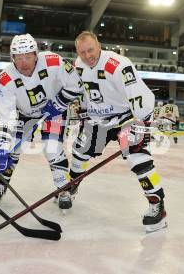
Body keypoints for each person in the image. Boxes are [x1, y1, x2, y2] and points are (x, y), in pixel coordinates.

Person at [71, 31, 167, 232]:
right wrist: (83, 108)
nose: (88, 55)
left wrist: (142, 123)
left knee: (137, 157)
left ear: (99, 45)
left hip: (127, 117)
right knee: (79, 154)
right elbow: (85, 92)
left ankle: (157, 205)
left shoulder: (118, 64)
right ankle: (71, 186)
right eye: (82, 52)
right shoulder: (78, 65)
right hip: (98, 119)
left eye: (90, 50)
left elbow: (139, 95)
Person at [0, 33, 82, 210]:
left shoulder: (54, 61)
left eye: (28, 57)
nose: (24, 62)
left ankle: (63, 189)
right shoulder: (4, 79)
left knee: (52, 148)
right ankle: (2, 183)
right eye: (19, 58)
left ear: (36, 55)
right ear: (12, 58)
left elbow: (75, 84)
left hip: (53, 111)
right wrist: (0, 147)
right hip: (24, 114)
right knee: (11, 150)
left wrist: (58, 103)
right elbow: (4, 117)